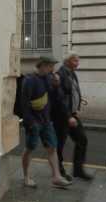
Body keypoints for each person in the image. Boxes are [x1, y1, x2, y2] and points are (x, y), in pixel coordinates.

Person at [20, 56, 72, 189]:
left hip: (46, 120)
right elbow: (24, 104)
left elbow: (57, 97)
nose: (52, 69)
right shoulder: (29, 80)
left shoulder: (49, 78)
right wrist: (30, 122)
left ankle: (56, 176)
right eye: (50, 66)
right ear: (42, 65)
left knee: (52, 147)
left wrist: (56, 85)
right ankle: (26, 177)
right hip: (34, 121)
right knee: (30, 148)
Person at [54, 53, 94, 181]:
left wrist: (77, 106)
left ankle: (78, 170)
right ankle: (59, 172)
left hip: (72, 114)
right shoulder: (60, 74)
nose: (78, 63)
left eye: (78, 60)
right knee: (60, 144)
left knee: (82, 139)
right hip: (63, 116)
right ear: (68, 61)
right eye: (75, 60)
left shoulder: (72, 73)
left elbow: (72, 92)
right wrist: (68, 117)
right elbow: (59, 99)